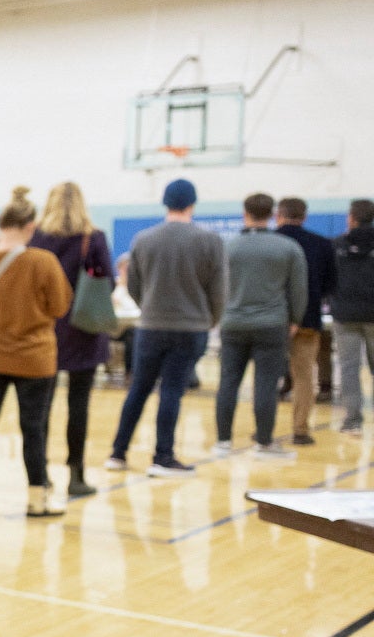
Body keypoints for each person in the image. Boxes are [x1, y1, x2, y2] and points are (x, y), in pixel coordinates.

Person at [0, 187, 73, 516]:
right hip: (34, 358)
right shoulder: (44, 262)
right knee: (33, 429)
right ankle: (37, 499)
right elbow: (59, 306)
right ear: (30, 226)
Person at [108, 178, 225, 476]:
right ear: (192, 204)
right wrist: (209, 320)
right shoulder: (209, 240)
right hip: (190, 327)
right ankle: (163, 456)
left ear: (166, 203)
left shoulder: (143, 239)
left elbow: (133, 285)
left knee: (138, 389)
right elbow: (218, 291)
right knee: (171, 391)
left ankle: (118, 453)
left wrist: (149, 307)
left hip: (150, 326)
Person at [29, 182, 113, 497]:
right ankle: (76, 475)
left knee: (42, 406)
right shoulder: (94, 238)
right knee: (79, 406)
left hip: (45, 328)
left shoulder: (37, 238)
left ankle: (41, 473)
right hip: (83, 328)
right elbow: (108, 283)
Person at [215, 192, 305, 456]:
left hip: (233, 323)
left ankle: (223, 441)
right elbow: (298, 289)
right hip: (272, 323)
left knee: (228, 382)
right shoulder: (288, 247)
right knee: (266, 384)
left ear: (245, 213)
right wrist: (295, 319)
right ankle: (263, 442)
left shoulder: (227, 247)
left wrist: (222, 315)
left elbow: (216, 287)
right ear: (273, 214)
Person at [275, 197, 336, 445]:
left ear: (278, 215)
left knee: (266, 376)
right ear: (304, 216)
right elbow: (331, 284)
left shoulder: (269, 242)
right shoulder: (322, 244)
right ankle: (300, 430)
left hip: (273, 318)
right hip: (308, 318)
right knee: (304, 378)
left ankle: (264, 431)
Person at [334, 199, 374, 436]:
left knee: (349, 368)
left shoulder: (338, 244)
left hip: (344, 314)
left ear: (351, 217)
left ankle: (352, 420)